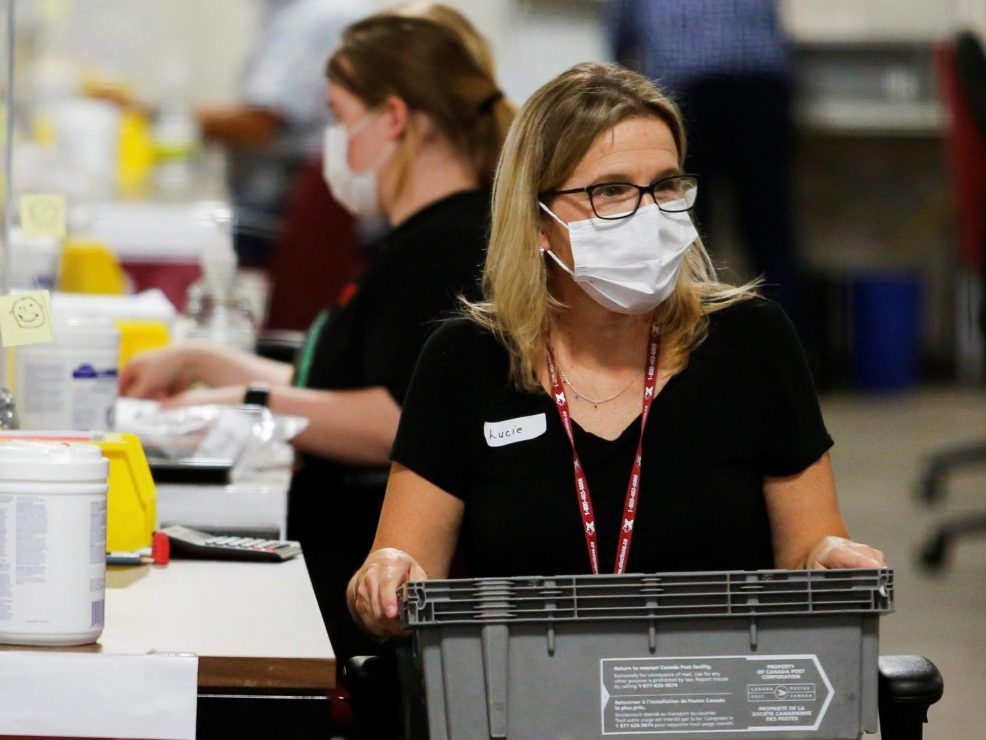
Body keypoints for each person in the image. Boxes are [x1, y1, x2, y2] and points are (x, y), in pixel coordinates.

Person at [348, 63, 886, 638]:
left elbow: (807, 552)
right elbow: (399, 590)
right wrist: (383, 585)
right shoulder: (466, 359)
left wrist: (828, 560)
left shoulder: (751, 340)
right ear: (536, 220)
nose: (650, 214)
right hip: (527, 700)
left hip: (710, 695)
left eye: (666, 186)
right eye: (611, 191)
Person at [121, 11, 514, 670]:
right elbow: (341, 385)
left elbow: (395, 418)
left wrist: (246, 403)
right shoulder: (414, 242)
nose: (330, 141)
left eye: (337, 116)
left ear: (392, 118)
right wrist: (203, 361)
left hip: (360, 579)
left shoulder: (443, 249)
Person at [608, 0, 804, 333]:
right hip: (761, 91)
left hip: (686, 91)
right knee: (770, 233)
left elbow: (621, 45)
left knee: (686, 233)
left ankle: (689, 344)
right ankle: (798, 352)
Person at [199, 0, 369, 266]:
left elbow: (260, 121)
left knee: (177, 247)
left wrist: (167, 118)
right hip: (287, 205)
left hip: (282, 212)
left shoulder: (317, 15)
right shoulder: (291, 13)